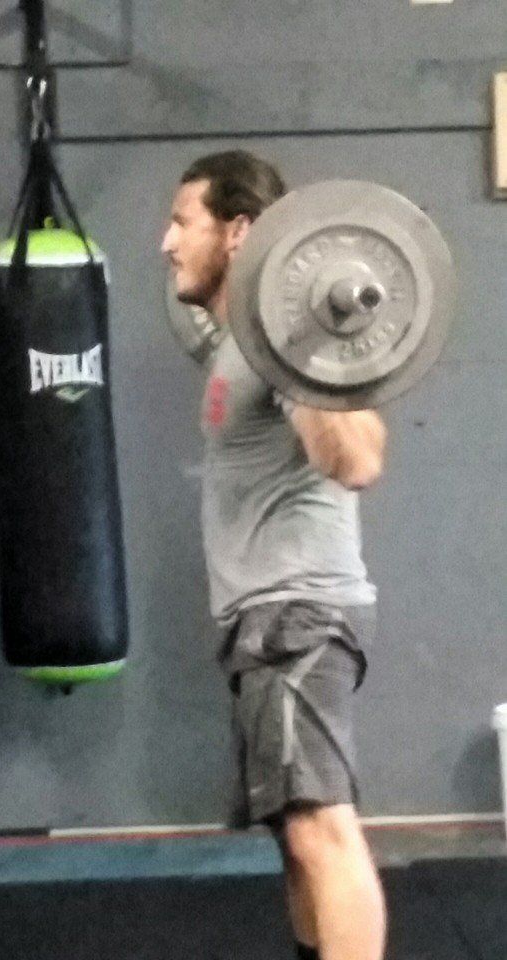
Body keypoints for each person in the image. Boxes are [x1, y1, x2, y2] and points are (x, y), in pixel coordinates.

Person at [161, 150, 387, 960]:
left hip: (298, 614)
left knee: (322, 827)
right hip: (263, 620)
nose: (165, 240)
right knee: (295, 837)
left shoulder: (282, 346)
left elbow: (358, 458)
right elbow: (194, 305)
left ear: (240, 230)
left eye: (182, 220)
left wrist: (308, 358)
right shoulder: (238, 341)